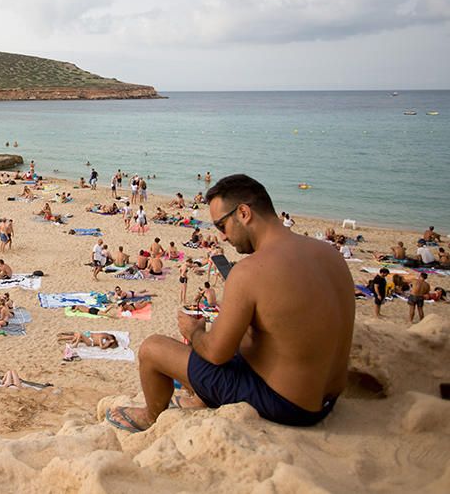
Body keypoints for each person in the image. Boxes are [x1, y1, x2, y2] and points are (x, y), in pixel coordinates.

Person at [106, 174, 353, 432]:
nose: (222, 237)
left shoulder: (250, 271)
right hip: (327, 398)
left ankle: (150, 416)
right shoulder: (329, 254)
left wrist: (194, 332)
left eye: (222, 226)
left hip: (288, 407)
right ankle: (201, 397)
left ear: (244, 213)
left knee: (152, 349)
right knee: (242, 333)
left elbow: (215, 353)